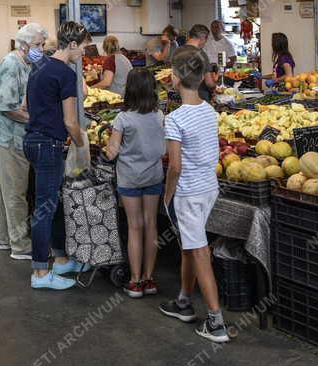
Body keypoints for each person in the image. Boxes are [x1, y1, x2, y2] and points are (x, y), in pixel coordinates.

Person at [159, 45, 228, 343]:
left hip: (187, 193)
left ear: (174, 78)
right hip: (209, 188)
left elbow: (174, 166)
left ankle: (216, 322)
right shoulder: (209, 110)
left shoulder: (174, 120)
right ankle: (184, 301)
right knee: (192, 244)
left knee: (199, 251)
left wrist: (166, 195)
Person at [22, 20, 92, 290]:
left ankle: (61, 258)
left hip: (32, 140)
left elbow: (25, 106)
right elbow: (71, 122)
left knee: (54, 202)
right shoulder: (65, 74)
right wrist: (81, 145)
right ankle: (40, 273)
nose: (84, 54)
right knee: (45, 208)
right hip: (48, 145)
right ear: (72, 44)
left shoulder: (38, 65)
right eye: (83, 48)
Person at [103, 67, 165, 298]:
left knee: (134, 227)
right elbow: (163, 147)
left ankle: (135, 280)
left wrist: (106, 144)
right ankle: (149, 279)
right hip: (154, 177)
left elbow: (112, 152)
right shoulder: (159, 116)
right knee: (151, 225)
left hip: (130, 179)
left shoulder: (122, 118)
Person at [0, 23, 47, 260]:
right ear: (23, 45)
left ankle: (4, 239)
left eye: (42, 45)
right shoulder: (12, 65)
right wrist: (37, 121)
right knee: (16, 192)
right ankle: (21, 245)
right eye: (37, 45)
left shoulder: (25, 63)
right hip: (9, 136)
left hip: (7, 135)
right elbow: (8, 106)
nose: (41, 49)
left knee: (6, 190)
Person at [185, 24, 218, 102]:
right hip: (199, 97)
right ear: (203, 38)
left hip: (183, 98)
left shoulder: (178, 52)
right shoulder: (201, 55)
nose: (205, 42)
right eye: (206, 39)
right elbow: (209, 83)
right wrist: (216, 87)